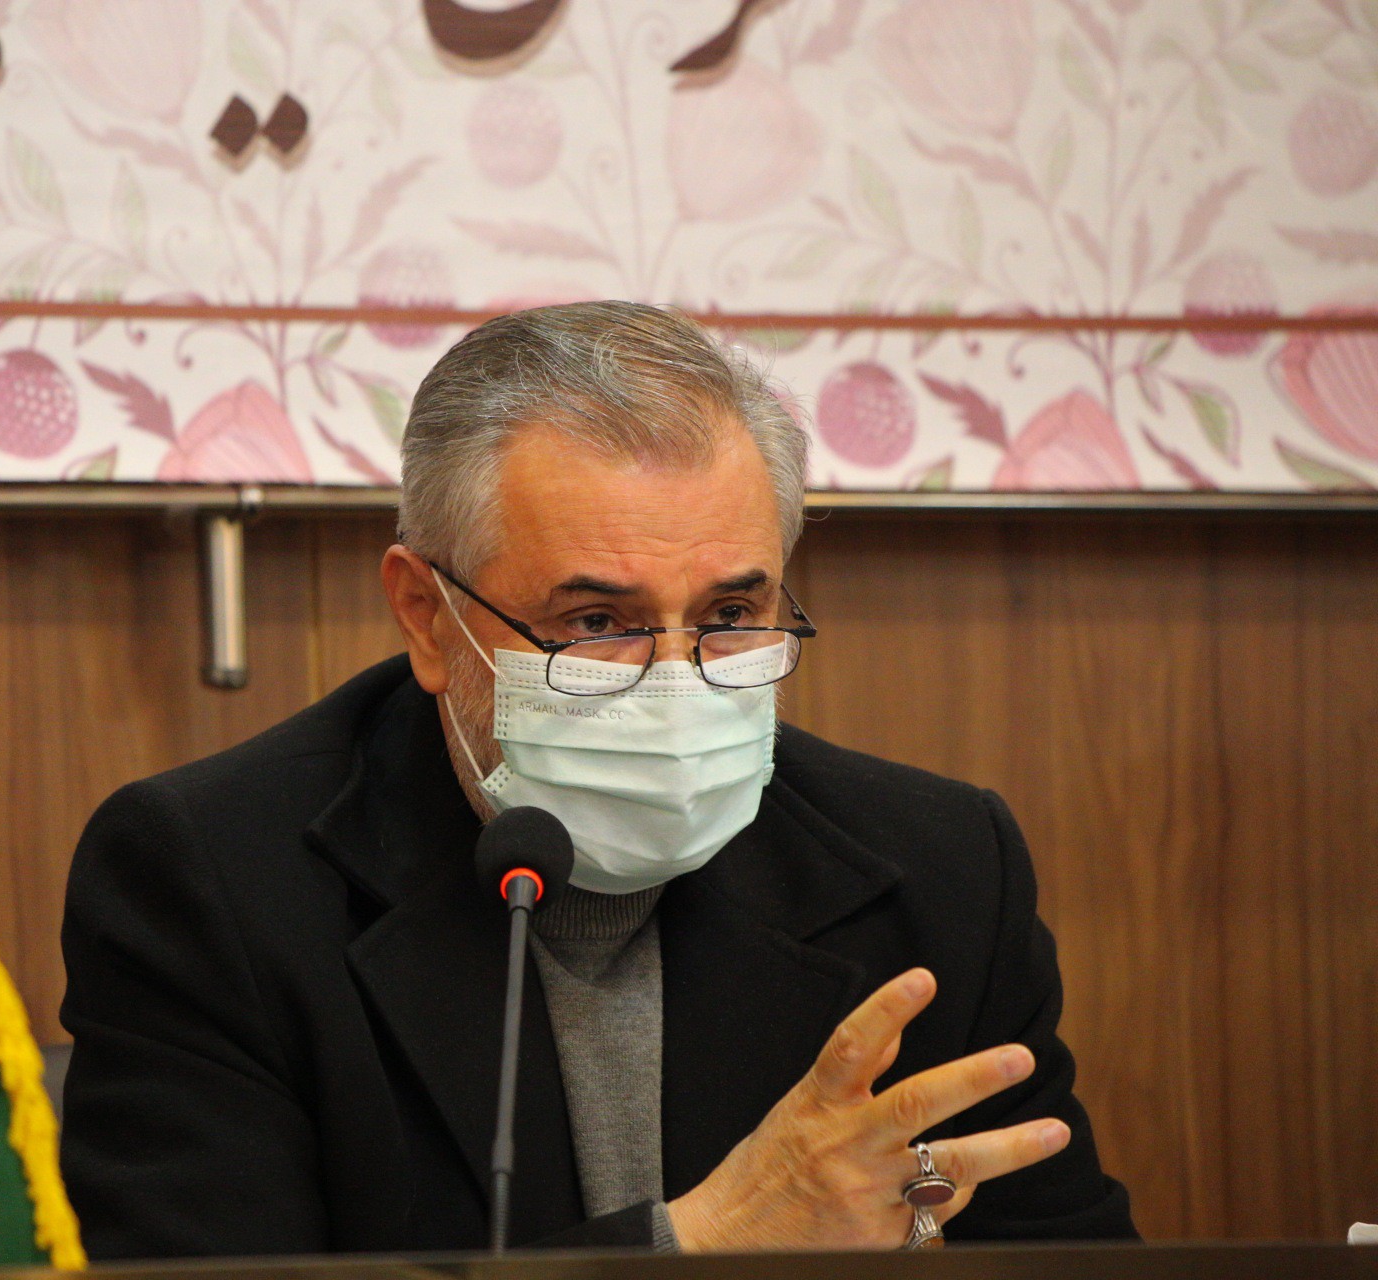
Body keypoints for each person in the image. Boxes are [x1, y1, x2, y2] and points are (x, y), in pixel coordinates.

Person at [58, 302, 1135, 1257]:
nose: (676, 682)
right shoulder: (211, 880)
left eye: (729, 614)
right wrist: (705, 1241)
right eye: (596, 622)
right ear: (427, 618)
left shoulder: (942, 871)